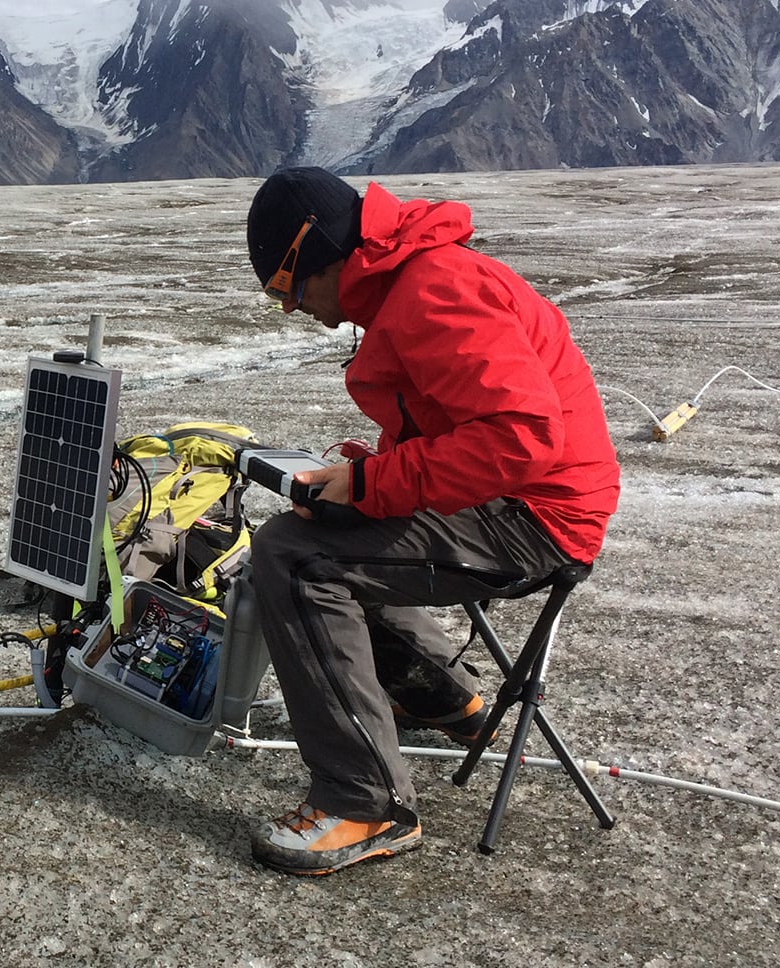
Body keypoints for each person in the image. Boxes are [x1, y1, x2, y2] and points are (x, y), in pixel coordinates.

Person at [240, 167, 622, 876]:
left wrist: (374, 483)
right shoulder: (411, 284)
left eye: (286, 286)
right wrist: (361, 482)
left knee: (294, 556)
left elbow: (521, 437)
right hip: (524, 502)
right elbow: (458, 426)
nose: (290, 307)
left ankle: (365, 802)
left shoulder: (435, 290)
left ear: (317, 249)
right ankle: (447, 700)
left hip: (537, 519)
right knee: (328, 531)